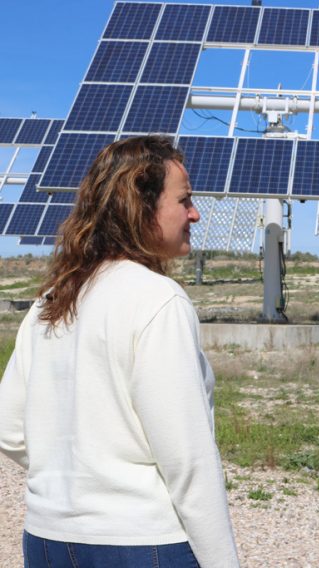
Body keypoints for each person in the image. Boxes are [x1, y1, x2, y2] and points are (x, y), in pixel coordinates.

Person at [0, 136, 240, 567]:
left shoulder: (52, 300)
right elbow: (187, 459)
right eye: (184, 200)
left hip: (48, 539)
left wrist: (79, 480)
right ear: (140, 206)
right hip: (141, 542)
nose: (196, 213)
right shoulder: (158, 300)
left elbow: (8, 429)